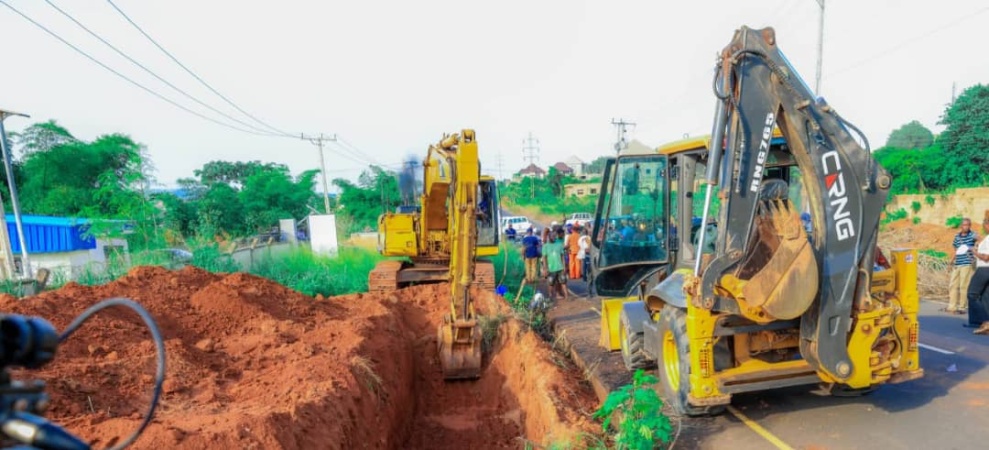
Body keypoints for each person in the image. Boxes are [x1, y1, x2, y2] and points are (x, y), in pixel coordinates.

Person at [947, 217, 977, 314]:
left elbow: (981, 242)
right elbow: (956, 250)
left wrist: (973, 248)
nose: (966, 227)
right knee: (953, 285)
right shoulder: (957, 237)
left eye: (968, 225)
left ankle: (962, 307)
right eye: (964, 225)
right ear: (961, 226)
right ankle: (952, 306)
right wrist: (951, 261)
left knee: (964, 286)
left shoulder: (973, 235)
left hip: (967, 263)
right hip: (958, 263)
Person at [967, 214, 989, 335]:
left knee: (972, 294)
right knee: (986, 297)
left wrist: (974, 251)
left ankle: (985, 321)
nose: (983, 226)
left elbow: (986, 257)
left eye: (984, 224)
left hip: (985, 269)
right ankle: (986, 324)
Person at [542, 228, 568, 301]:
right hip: (551, 268)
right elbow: (544, 258)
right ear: (549, 237)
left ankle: (566, 296)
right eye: (552, 236)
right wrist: (545, 268)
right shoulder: (545, 246)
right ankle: (550, 296)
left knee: (563, 281)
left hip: (560, 267)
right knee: (551, 282)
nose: (554, 237)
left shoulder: (559, 245)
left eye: (554, 236)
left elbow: (562, 256)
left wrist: (564, 266)